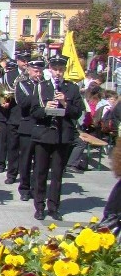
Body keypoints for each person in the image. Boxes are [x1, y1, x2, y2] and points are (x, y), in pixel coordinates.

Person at [30, 55, 85, 220]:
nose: (58, 73)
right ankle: (39, 206)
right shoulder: (41, 87)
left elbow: (78, 112)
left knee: (57, 174)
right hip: (44, 135)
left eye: (61, 70)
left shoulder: (72, 88)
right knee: (40, 172)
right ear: (50, 69)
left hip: (62, 136)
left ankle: (54, 207)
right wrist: (45, 109)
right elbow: (34, 112)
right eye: (55, 69)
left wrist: (66, 103)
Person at [15, 59, 43, 201]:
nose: (38, 74)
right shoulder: (22, 84)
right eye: (35, 71)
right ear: (29, 71)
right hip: (27, 126)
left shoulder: (45, 85)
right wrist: (37, 92)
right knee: (25, 160)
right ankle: (24, 188)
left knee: (40, 162)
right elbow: (22, 103)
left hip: (42, 127)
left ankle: (36, 188)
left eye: (40, 71)